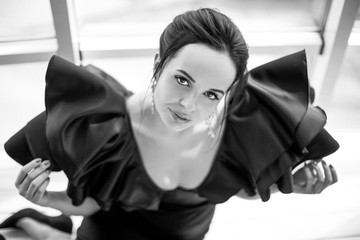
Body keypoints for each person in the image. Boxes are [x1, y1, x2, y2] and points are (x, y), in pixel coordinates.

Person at [0, 8, 339, 240]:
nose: (189, 105)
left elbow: (235, 189)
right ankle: (40, 228)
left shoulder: (231, 132)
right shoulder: (108, 127)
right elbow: (91, 203)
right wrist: (45, 199)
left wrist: (289, 184)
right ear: (158, 63)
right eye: (182, 80)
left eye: (211, 94)